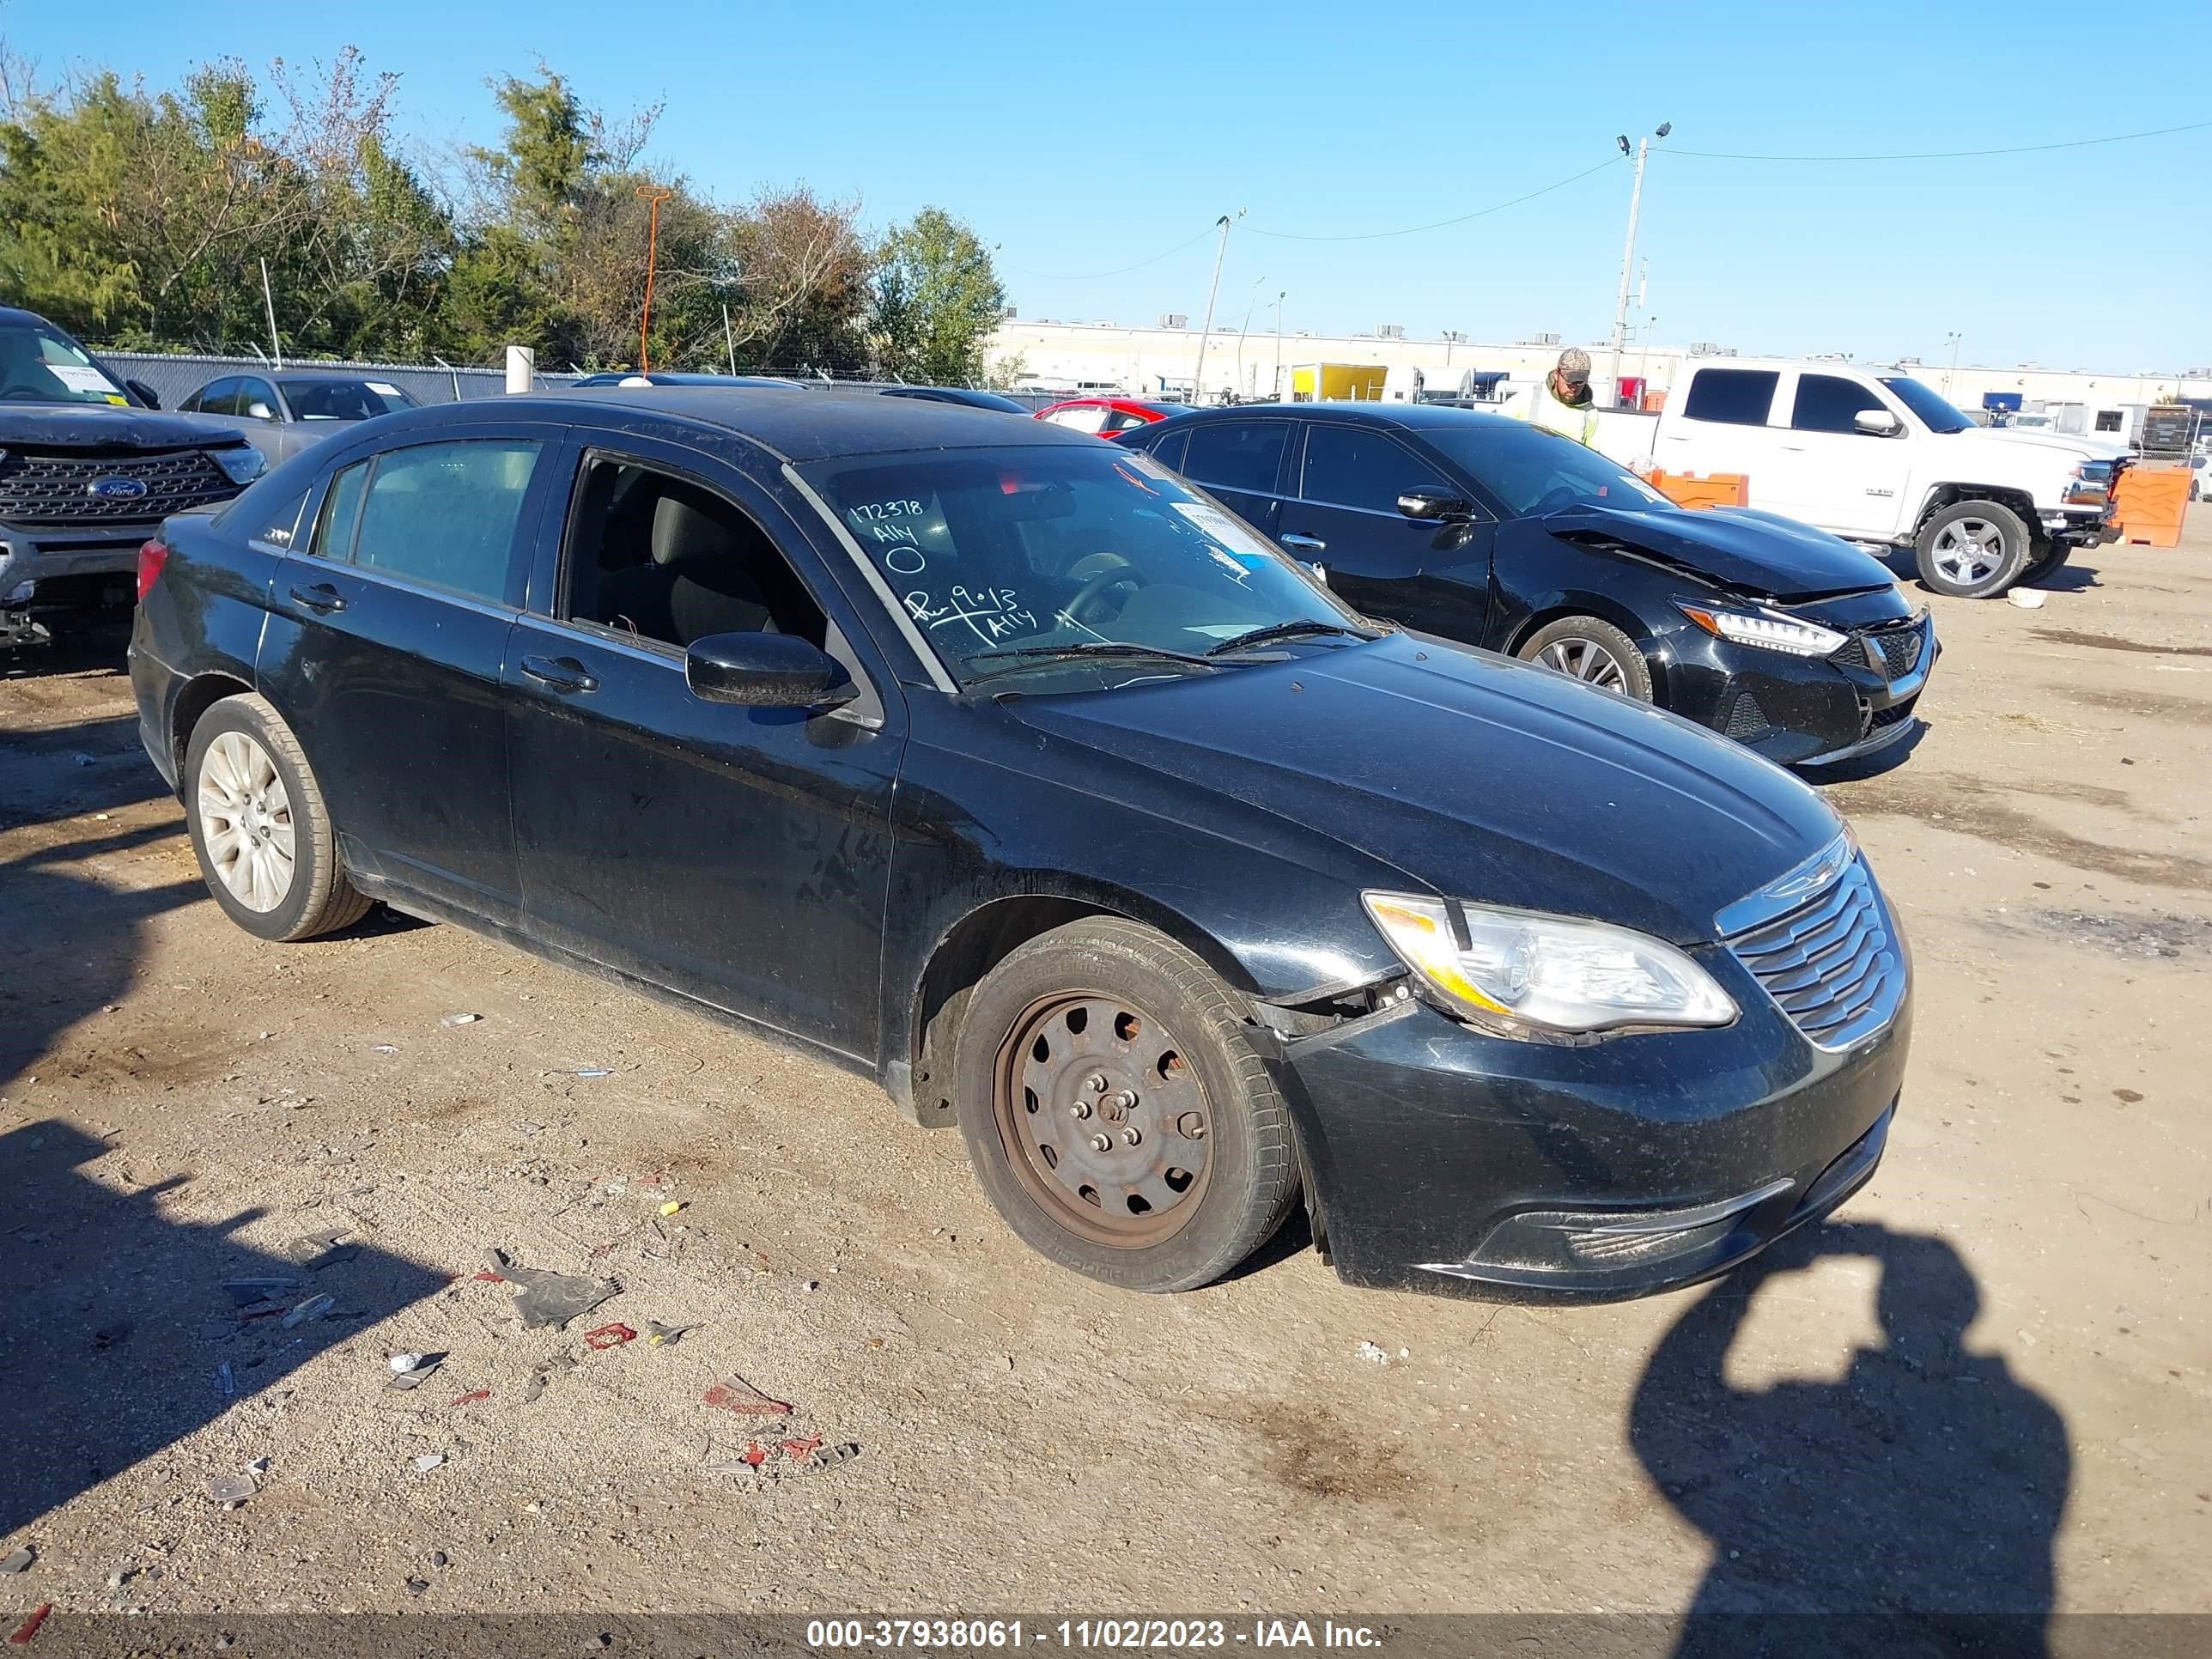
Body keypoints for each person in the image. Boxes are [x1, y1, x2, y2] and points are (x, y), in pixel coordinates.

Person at [1512, 346, 1600, 445]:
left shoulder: (1590, 412)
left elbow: (1591, 455)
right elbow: (1496, 427)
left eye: (1580, 382)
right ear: (1556, 374)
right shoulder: (1529, 396)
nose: (1574, 387)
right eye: (1570, 381)